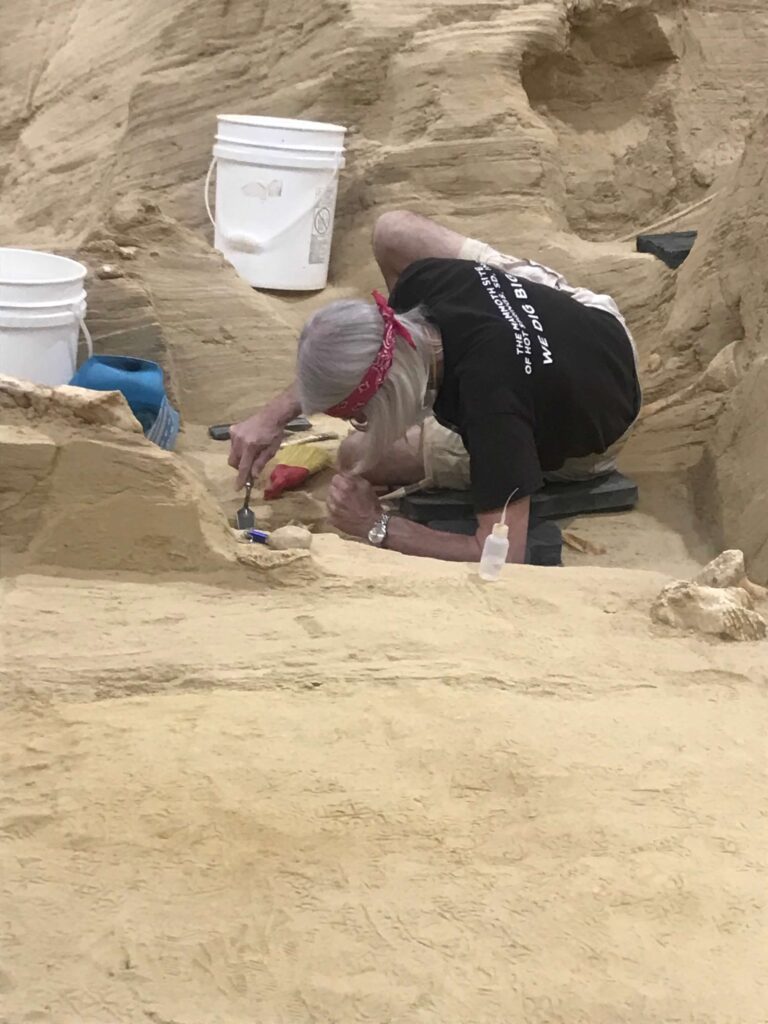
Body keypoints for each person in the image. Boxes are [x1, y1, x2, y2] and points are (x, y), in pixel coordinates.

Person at [228, 212, 641, 564]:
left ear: (387, 392)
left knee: (357, 455)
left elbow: (501, 554)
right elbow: (364, 354)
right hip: (591, 319)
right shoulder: (424, 284)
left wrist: (377, 525)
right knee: (393, 231)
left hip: (600, 422)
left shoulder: (491, 414)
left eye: (360, 414)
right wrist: (276, 413)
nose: (359, 422)